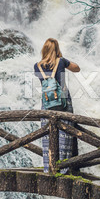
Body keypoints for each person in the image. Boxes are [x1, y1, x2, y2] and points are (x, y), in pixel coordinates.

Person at [34, 38, 80, 174]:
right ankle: (65, 169)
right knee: (66, 134)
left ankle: (49, 168)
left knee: (48, 135)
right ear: (57, 49)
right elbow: (77, 68)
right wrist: (62, 60)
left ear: (44, 50)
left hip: (47, 103)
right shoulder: (62, 61)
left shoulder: (37, 66)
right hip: (64, 102)